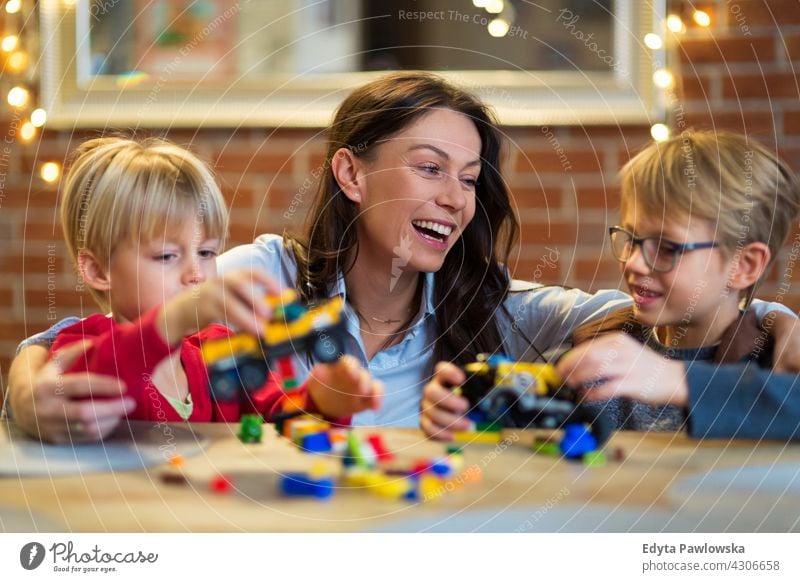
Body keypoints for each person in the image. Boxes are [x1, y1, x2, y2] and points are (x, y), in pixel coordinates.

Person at [8, 74, 800, 438]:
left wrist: (774, 316)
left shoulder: (501, 310)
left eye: (467, 178)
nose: (457, 199)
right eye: (428, 169)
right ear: (350, 172)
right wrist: (24, 382)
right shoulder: (267, 276)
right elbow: (124, 319)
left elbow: (659, 304)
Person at [16, 137, 381, 443]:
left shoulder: (218, 349)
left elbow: (278, 422)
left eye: (207, 252)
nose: (195, 273)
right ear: (97, 270)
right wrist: (172, 319)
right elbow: (108, 373)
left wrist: (321, 401)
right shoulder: (81, 343)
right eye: (166, 256)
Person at [554, 131, 800, 440]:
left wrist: (677, 379)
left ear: (744, 265)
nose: (634, 263)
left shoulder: (777, 364)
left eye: (668, 248)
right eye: (631, 240)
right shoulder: (595, 349)